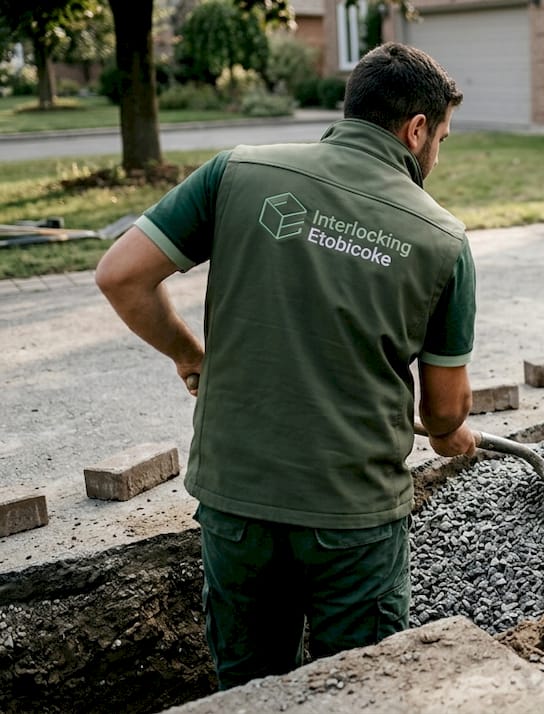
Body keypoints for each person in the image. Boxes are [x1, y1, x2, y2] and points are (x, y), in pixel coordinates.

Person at [95, 42, 477, 689]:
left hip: (236, 504)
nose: (436, 154)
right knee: (358, 692)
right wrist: (446, 435)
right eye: (440, 138)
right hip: (351, 520)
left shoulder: (236, 172)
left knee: (248, 691)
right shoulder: (442, 239)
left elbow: (121, 275)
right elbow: (443, 409)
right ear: (416, 131)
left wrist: (192, 356)